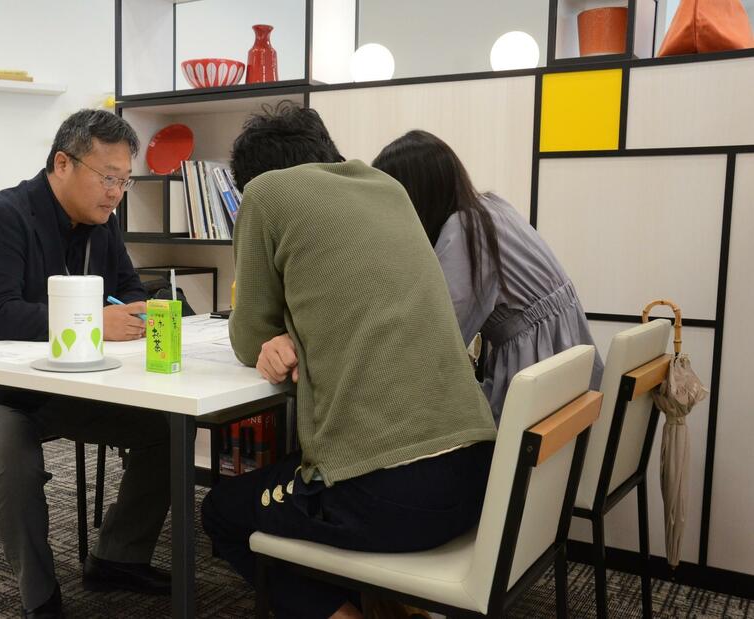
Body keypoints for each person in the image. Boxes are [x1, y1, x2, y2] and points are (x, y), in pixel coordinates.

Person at [200, 102, 497, 619]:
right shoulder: (389, 189)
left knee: (223, 512)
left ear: (250, 181)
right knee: (299, 477)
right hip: (477, 479)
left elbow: (248, 335)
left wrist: (271, 337)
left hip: (390, 495)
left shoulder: (268, 194)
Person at [0, 109, 171, 618]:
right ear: (62, 163)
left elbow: (128, 292)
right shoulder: (1, 217)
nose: (116, 193)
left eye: (124, 182)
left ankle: (117, 556)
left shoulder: (100, 226)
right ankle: (41, 598)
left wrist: (138, 312)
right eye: (108, 178)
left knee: (168, 428)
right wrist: (96, 324)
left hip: (67, 385)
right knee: (14, 462)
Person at [372, 130, 603, 424]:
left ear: (415, 194)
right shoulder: (492, 207)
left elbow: (441, 336)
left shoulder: (465, 231)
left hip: (535, 374)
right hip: (565, 365)